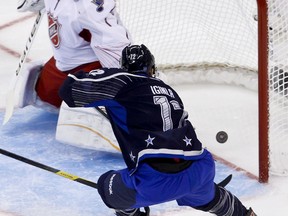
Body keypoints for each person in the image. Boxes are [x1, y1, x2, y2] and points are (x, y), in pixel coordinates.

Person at [59, 44, 257, 216]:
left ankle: (134, 212)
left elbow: (68, 90)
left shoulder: (123, 81)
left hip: (155, 180)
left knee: (107, 186)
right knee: (208, 197)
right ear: (152, 69)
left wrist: (96, 70)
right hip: (201, 168)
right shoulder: (169, 91)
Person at [16, 0, 131, 109]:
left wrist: (131, 90)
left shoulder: (89, 9)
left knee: (123, 86)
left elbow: (118, 54)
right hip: (65, 67)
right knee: (43, 92)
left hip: (86, 71)